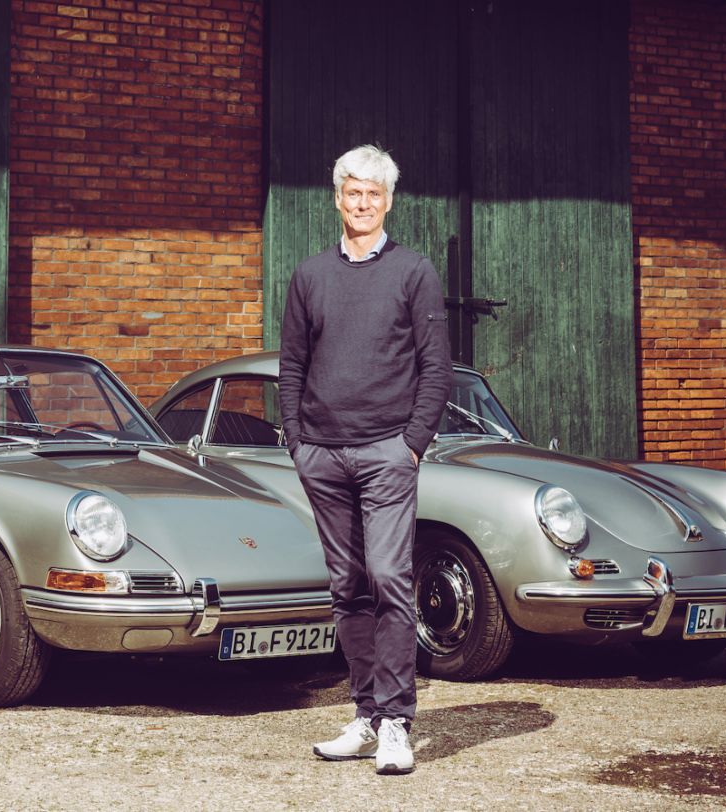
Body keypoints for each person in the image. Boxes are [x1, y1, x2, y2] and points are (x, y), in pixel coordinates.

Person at [278, 144, 451, 776]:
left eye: (374, 195)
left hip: (386, 453)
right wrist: (297, 441)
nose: (362, 203)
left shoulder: (414, 272)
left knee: (388, 576)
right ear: (337, 198)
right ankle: (366, 715)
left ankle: (399, 722)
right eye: (353, 193)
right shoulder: (310, 275)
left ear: (388, 202)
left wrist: (411, 444)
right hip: (321, 454)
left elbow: (436, 367)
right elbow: (291, 364)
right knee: (347, 586)